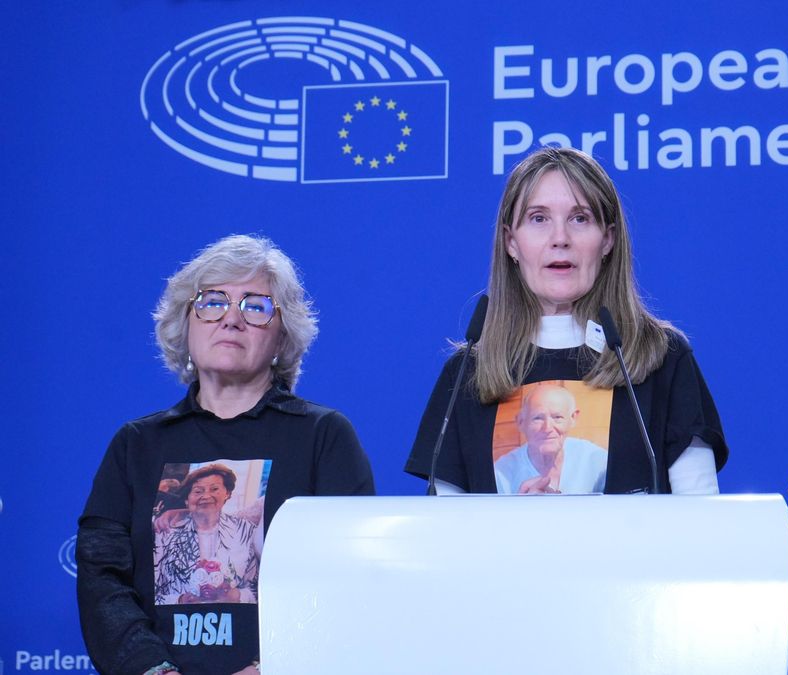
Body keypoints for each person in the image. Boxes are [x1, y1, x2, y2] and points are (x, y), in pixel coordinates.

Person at [77, 235, 375, 675]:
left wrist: (271, 667)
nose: (231, 319)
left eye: (255, 306)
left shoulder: (322, 436)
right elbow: (102, 580)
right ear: (186, 323)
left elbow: (348, 578)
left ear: (281, 337)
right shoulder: (136, 444)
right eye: (213, 302)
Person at [407, 146, 727, 494]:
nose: (560, 239)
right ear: (511, 242)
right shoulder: (467, 373)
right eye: (539, 218)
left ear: (608, 239)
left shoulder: (661, 358)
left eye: (580, 218)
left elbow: (700, 517)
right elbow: (444, 533)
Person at [153, 464, 262, 605]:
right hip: (180, 620)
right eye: (198, 491)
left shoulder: (246, 531)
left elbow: (257, 589)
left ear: (227, 493)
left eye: (214, 489)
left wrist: (237, 596)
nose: (206, 496)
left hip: (232, 618)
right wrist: (179, 600)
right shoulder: (165, 532)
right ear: (187, 499)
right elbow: (151, 591)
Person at [495, 384, 608, 494]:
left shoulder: (598, 461)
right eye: (537, 418)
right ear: (521, 422)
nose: (547, 428)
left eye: (557, 417)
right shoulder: (501, 473)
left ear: (573, 418)